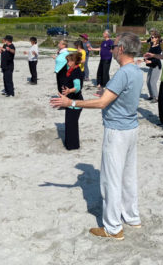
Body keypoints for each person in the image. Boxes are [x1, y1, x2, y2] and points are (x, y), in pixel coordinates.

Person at [50, 32, 144, 240]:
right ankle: (132, 217)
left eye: (113, 47)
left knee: (111, 179)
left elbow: (102, 103)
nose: (111, 51)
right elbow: (116, 97)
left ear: (120, 48)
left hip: (117, 131)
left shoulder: (123, 73)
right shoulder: (136, 70)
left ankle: (113, 228)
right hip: (131, 128)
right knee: (128, 176)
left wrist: (71, 103)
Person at [61, 52, 84, 150]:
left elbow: (78, 87)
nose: (67, 62)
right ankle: (70, 144)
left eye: (69, 61)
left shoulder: (76, 71)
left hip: (75, 102)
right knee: (70, 123)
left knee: (71, 124)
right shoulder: (72, 69)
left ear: (74, 62)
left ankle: (72, 146)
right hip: (71, 101)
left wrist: (69, 90)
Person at [89, 30, 114, 95]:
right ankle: (99, 84)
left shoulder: (110, 41)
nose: (103, 34)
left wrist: (112, 50)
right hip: (102, 58)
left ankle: (105, 85)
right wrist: (92, 49)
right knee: (99, 71)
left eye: (104, 33)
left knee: (105, 71)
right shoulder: (103, 42)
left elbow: (113, 48)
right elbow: (100, 49)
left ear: (107, 34)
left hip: (107, 58)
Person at [142, 30, 162, 102]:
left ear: (156, 38)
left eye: (153, 37)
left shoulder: (158, 47)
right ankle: (151, 95)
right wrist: (144, 60)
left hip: (156, 66)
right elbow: (149, 55)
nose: (151, 38)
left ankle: (156, 97)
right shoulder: (152, 45)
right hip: (151, 65)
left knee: (152, 82)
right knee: (148, 81)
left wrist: (150, 61)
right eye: (151, 37)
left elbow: (158, 58)